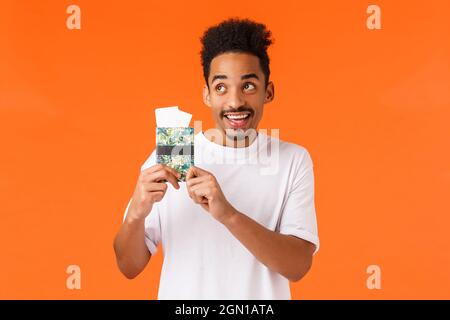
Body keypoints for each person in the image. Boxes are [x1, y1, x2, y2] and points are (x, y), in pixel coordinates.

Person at [113, 18, 319, 299]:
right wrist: (136, 213)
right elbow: (128, 266)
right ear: (207, 95)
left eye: (248, 86)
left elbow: (298, 266)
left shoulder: (292, 160)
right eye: (221, 88)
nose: (234, 102)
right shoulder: (173, 156)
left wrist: (229, 215)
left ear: (268, 92)